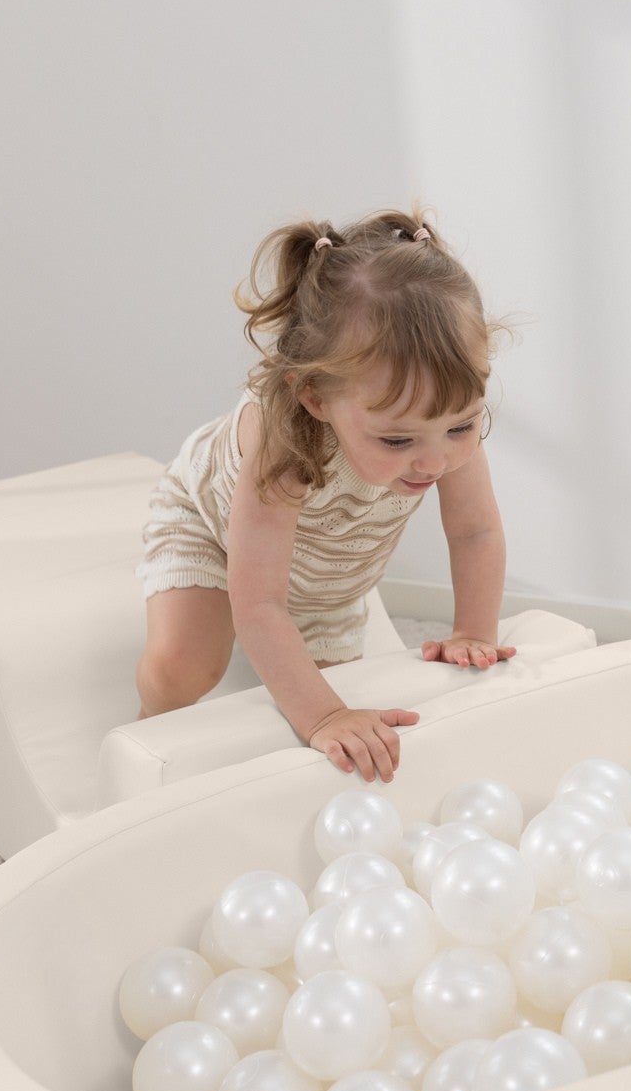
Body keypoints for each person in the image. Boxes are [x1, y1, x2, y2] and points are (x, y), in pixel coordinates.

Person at [135, 208, 513, 782]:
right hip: (209, 529)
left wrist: (474, 633)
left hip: (332, 576)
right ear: (314, 397)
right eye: (397, 438)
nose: (436, 460)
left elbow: (475, 531)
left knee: (354, 734)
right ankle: (142, 742)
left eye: (462, 426)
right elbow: (258, 601)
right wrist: (325, 714)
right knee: (183, 665)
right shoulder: (283, 441)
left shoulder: (440, 425)